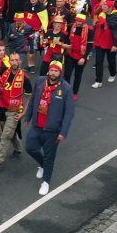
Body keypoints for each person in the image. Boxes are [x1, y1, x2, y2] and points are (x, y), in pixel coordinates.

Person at [24, 61, 75, 195]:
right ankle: (41, 165)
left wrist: (63, 131)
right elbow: (33, 99)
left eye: (55, 71)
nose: (52, 73)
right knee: (30, 148)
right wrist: (28, 117)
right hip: (37, 125)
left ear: (60, 72)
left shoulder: (66, 88)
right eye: (51, 70)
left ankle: (46, 182)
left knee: (49, 157)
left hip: (53, 130)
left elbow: (69, 112)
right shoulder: (40, 81)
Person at [0, 52, 32, 174]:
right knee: (9, 132)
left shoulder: (25, 78)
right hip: (2, 108)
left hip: (15, 111)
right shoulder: (3, 71)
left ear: (20, 61)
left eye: (16, 60)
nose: (14, 62)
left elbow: (31, 97)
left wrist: (24, 113)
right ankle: (18, 148)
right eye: (12, 60)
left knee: (6, 135)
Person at [92, 0, 117, 88]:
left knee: (111, 60)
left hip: (111, 43)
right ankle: (98, 80)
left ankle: (113, 73)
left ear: (110, 8)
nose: (103, 8)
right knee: (98, 61)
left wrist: (116, 44)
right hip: (100, 42)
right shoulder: (102, 16)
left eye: (105, 7)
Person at [64, 14, 92, 101]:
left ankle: (75, 93)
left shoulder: (90, 31)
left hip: (81, 57)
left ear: (84, 22)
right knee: (67, 74)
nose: (78, 23)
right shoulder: (72, 27)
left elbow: (90, 45)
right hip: (70, 54)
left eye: (80, 21)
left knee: (78, 75)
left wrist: (84, 57)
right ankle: (67, 91)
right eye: (77, 21)